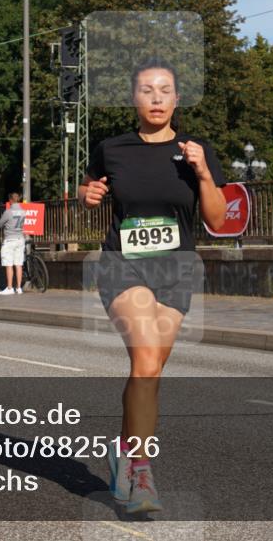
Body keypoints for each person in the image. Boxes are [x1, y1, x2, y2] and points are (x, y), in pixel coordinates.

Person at [79, 59, 226, 514]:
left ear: (177, 99)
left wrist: (202, 173)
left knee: (151, 371)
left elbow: (217, 220)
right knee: (145, 358)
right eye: (147, 90)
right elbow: (88, 192)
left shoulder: (195, 152)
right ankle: (141, 470)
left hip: (177, 269)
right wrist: (87, 197)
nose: (157, 98)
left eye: (165, 90)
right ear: (134, 99)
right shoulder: (111, 148)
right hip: (124, 264)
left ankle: (124, 452)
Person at [0, 192, 26, 295]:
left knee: (9, 264)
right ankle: (19, 288)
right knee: (18, 264)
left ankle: (9, 288)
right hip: (20, 239)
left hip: (9, 240)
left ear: (11, 200)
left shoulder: (8, 212)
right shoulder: (23, 211)